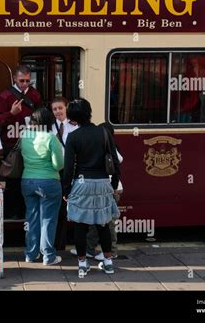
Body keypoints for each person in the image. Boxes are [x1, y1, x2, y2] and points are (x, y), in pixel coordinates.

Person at [63, 98, 121, 276]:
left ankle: (82, 264)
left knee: (81, 226)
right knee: (103, 224)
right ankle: (108, 262)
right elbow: (115, 161)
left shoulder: (73, 137)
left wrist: (66, 190)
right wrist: (113, 183)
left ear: (73, 119)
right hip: (103, 182)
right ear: (89, 113)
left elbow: (68, 167)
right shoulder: (104, 133)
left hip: (81, 183)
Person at [0, 65, 43, 219]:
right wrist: (11, 113)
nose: (24, 84)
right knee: (13, 179)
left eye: (27, 81)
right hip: (12, 145)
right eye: (21, 80)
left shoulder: (35, 95)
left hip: (32, 143)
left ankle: (26, 212)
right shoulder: (5, 96)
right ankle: (13, 213)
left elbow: (42, 116)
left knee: (29, 179)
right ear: (15, 79)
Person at [21, 107, 64, 265]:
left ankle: (30, 255)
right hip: (48, 182)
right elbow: (58, 165)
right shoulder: (51, 138)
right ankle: (48, 256)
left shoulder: (25, 136)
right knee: (48, 219)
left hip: (27, 181)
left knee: (31, 218)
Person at [50, 96, 78, 250]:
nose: (58, 111)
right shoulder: (50, 126)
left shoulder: (74, 125)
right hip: (55, 170)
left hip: (70, 170)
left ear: (66, 108)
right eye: (54, 109)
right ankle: (57, 243)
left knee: (69, 206)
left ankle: (69, 241)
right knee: (58, 207)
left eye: (60, 108)